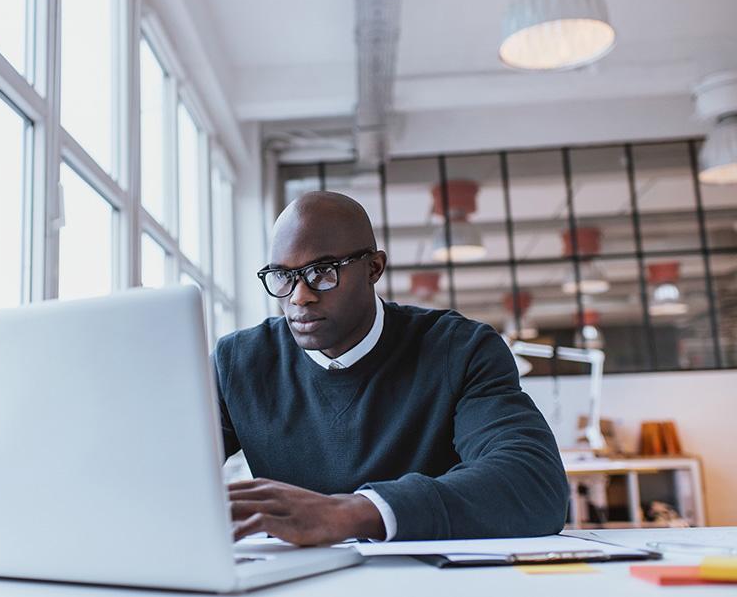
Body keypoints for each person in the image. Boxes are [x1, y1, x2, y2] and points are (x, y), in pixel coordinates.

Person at [213, 191, 569, 545]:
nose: (298, 296)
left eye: (322, 272)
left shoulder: (459, 350)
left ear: (373, 268)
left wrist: (354, 513)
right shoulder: (239, 362)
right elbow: (166, 468)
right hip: (290, 580)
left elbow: (534, 483)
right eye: (282, 275)